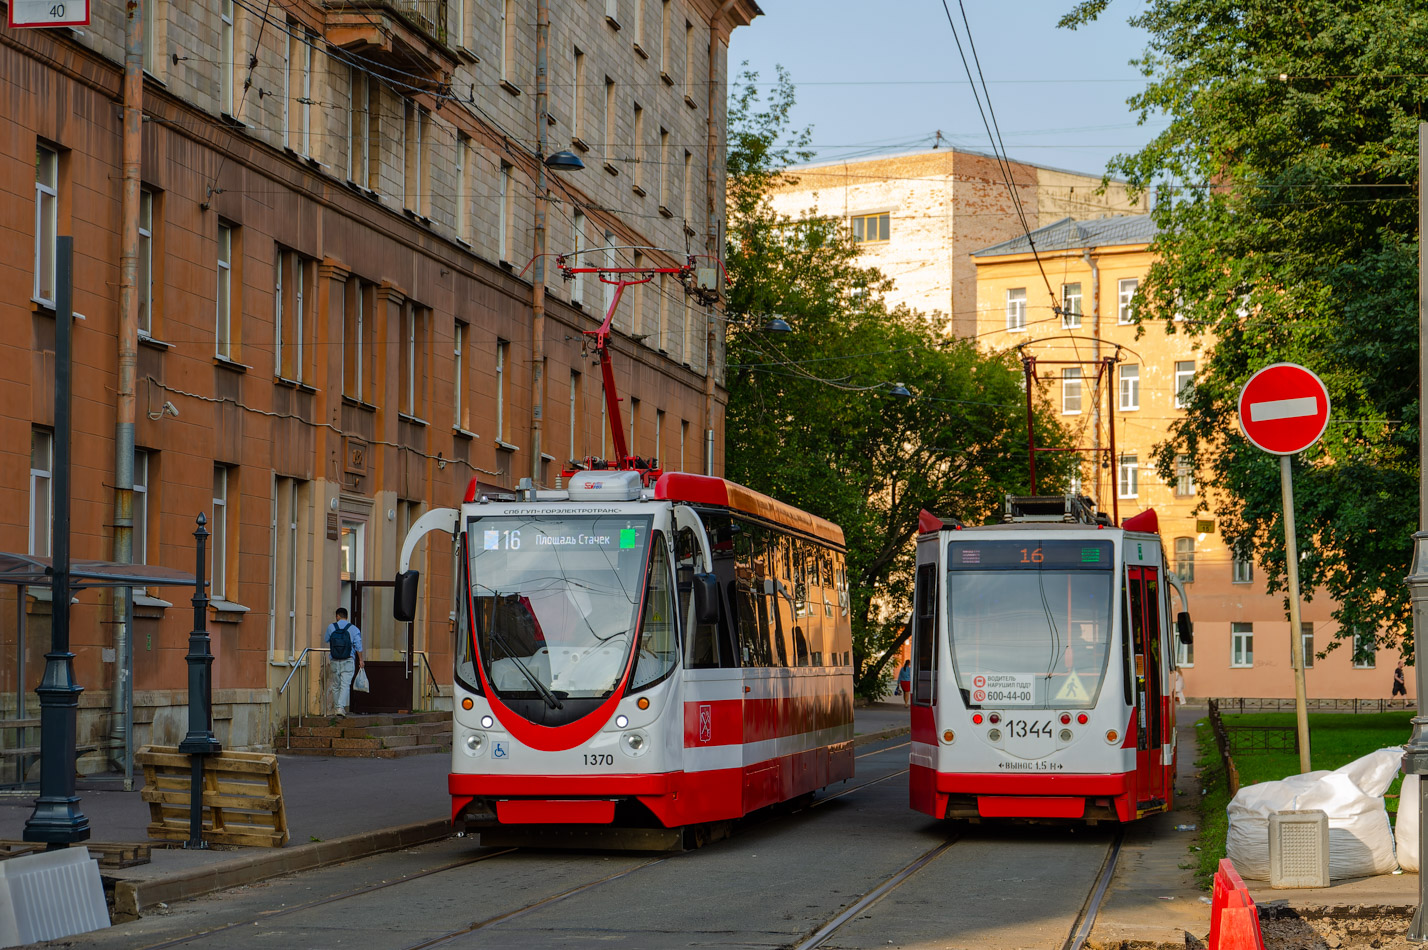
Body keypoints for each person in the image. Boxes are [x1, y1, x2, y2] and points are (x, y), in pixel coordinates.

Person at [324, 607, 364, 718]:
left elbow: (326, 639)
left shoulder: (331, 627)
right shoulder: (354, 629)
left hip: (334, 660)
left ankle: (338, 707)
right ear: (347, 616)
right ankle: (340, 708)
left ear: (337, 616)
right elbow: (358, 646)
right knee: (345, 685)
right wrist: (361, 660)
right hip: (348, 660)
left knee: (336, 685)